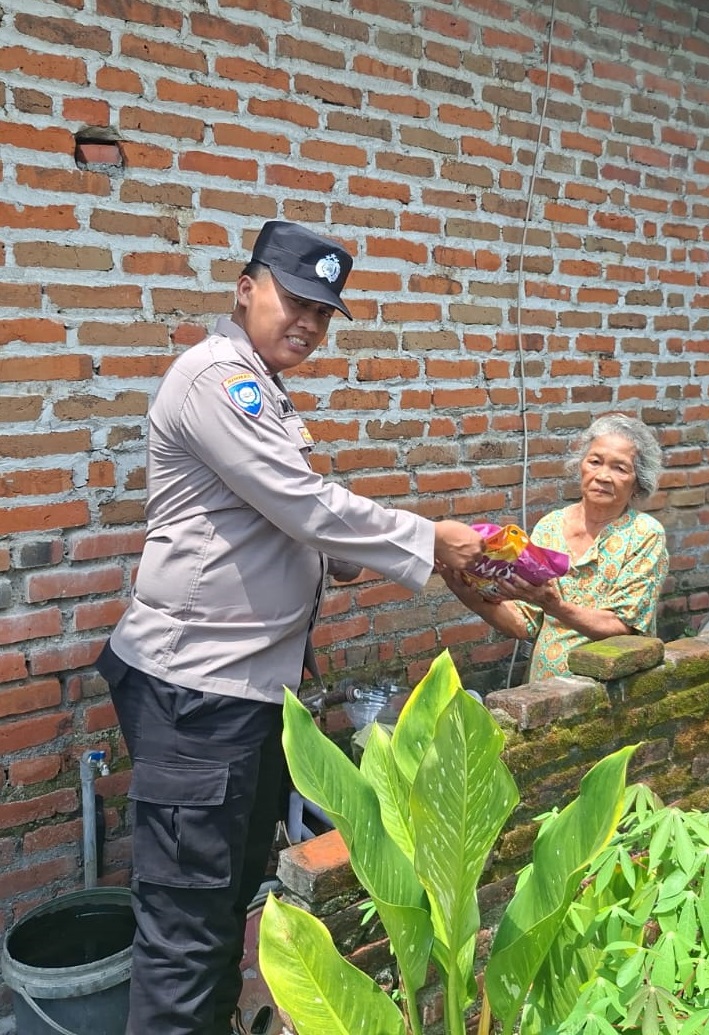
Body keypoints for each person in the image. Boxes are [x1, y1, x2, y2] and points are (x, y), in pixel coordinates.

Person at [94, 219, 484, 1035]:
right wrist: (426, 541)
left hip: (244, 696)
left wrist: (335, 558)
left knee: (223, 904)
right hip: (195, 696)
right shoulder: (217, 380)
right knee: (185, 935)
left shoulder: (262, 388)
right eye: (295, 300)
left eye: (324, 313)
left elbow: (275, 516)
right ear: (245, 289)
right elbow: (300, 501)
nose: (307, 323)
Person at [441, 413, 669, 680]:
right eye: (595, 462)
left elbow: (622, 629)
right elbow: (526, 622)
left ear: (638, 483)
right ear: (581, 466)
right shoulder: (550, 526)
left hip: (610, 696)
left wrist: (556, 606)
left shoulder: (644, 534)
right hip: (544, 693)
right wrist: (472, 599)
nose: (603, 476)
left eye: (620, 468)